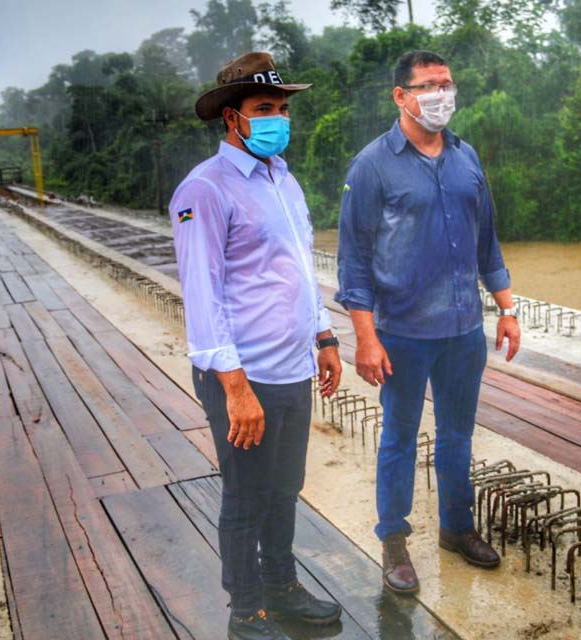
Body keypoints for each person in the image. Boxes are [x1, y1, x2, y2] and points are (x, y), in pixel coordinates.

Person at [170, 52, 344, 640]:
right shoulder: (205, 190)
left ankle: (282, 587)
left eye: (283, 109)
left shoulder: (283, 179)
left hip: (293, 366)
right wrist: (235, 386)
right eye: (264, 109)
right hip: (243, 377)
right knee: (245, 497)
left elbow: (299, 267)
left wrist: (323, 335)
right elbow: (202, 294)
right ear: (232, 120)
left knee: (284, 489)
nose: (277, 118)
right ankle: (247, 611)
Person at [335, 50, 521, 594]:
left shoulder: (467, 158)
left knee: (458, 436)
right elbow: (354, 261)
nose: (442, 94)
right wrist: (365, 338)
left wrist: (507, 310)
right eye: (428, 86)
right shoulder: (372, 165)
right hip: (402, 333)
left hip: (464, 330)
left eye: (447, 83)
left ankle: (456, 529)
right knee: (398, 437)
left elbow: (487, 241)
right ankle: (393, 543)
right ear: (401, 96)